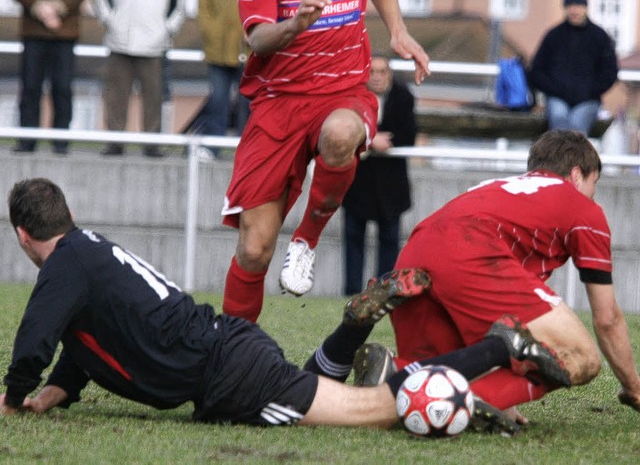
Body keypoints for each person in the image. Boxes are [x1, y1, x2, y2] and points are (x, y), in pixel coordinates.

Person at [2, 178, 530, 434]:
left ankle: (493, 349)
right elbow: (86, 338)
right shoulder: (86, 252)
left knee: (371, 413)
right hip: (229, 355)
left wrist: (11, 398)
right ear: (66, 214)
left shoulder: (63, 269)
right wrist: (56, 393)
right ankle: (350, 335)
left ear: (22, 235)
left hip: (229, 374)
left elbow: (34, 342)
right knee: (333, 394)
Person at [221, 0, 430, 323]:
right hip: (277, 104)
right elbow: (257, 37)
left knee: (341, 134)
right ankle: (233, 356)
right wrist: (295, 23)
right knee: (253, 250)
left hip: (343, 91)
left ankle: (306, 242)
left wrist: (396, 29)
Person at [325, 130, 640, 418]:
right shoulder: (581, 206)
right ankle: (452, 399)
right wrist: (634, 388)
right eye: (593, 183)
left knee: (450, 371)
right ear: (576, 174)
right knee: (578, 357)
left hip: (416, 254)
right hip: (470, 253)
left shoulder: (499, 187)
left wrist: (507, 400)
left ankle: (398, 372)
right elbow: (607, 317)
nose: (593, 195)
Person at [93, 0, 186, 158]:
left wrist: (168, 29)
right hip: (118, 39)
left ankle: (152, 145)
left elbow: (179, 0)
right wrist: (109, 19)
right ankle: (114, 142)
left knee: (154, 97)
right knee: (115, 96)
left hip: (155, 42)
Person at [13, 0, 91, 155]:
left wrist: (57, 8)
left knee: (62, 89)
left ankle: (60, 142)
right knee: (30, 89)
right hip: (33, 34)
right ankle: (27, 140)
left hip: (65, 35)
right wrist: (40, 8)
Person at [341, 55, 416, 295]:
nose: (377, 76)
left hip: (390, 186)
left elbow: (408, 136)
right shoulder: (352, 97)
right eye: (372, 71)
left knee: (390, 241)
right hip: (357, 183)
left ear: (389, 74)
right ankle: (351, 293)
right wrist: (370, 141)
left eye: (382, 71)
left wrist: (379, 141)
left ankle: (384, 294)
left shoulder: (403, 98)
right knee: (353, 239)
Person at [196, 0, 261, 151]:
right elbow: (204, 2)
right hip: (219, 49)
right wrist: (210, 32)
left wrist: (259, 31)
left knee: (249, 104)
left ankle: (246, 151)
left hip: (252, 50)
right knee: (218, 101)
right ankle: (213, 148)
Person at [529, 0, 618, 135]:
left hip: (588, 99)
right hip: (557, 98)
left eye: (578, 5)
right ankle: (558, 157)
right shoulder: (554, 36)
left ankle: (572, 158)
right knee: (559, 121)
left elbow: (610, 72)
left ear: (585, 7)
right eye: (570, 5)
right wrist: (554, 89)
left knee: (578, 126)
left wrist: (590, 90)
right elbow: (536, 70)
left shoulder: (599, 37)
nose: (574, 10)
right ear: (565, 8)